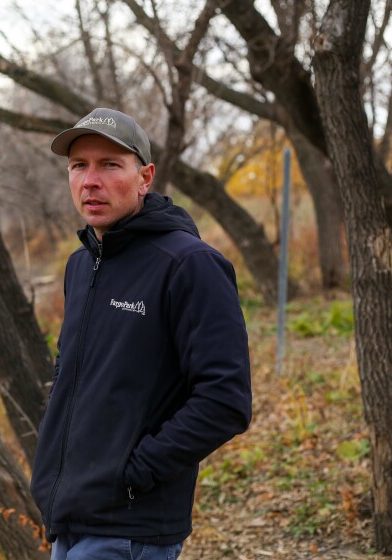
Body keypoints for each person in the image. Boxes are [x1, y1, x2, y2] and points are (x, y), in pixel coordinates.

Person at [30, 108, 252, 560]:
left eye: (110, 164)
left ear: (144, 176)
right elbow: (71, 372)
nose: (90, 180)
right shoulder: (82, 264)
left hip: (131, 529)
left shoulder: (189, 265)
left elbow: (225, 401)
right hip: (70, 512)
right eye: (79, 166)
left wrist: (132, 472)